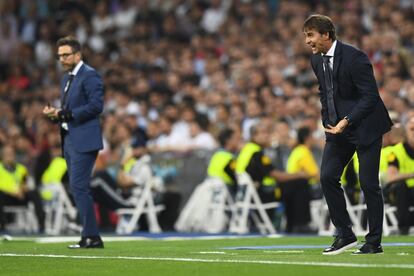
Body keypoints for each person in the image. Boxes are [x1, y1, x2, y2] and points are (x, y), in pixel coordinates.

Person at [303, 15, 392, 255]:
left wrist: (347, 120)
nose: (308, 41)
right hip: (338, 128)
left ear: (326, 35)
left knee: (368, 183)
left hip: (365, 126)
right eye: (306, 36)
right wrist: (327, 119)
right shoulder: (316, 61)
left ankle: (374, 241)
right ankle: (345, 234)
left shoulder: (355, 58)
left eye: (311, 35)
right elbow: (325, 92)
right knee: (327, 177)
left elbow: (370, 96)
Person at [43, 36, 104, 249]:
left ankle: (92, 237)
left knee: (79, 187)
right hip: (69, 138)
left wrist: (66, 114)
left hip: (84, 139)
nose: (62, 59)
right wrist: (56, 115)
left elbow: (96, 106)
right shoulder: (67, 78)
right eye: (59, 55)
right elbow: (69, 112)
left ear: (78, 55)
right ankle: (89, 235)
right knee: (77, 187)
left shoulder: (90, 75)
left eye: (66, 54)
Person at [0, 144, 45, 233]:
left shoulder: (21, 168)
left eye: (11, 153)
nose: (10, 156)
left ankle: (41, 225)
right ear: (2, 156)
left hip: (20, 196)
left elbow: (25, 183)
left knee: (34, 193)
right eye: (7, 154)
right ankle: (3, 226)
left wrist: (22, 190)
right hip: (5, 196)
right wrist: (12, 192)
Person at [284, 127, 319, 233]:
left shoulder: (296, 151)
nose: (314, 139)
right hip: (302, 189)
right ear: (307, 138)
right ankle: (303, 224)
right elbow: (316, 175)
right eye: (312, 136)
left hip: (289, 189)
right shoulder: (304, 152)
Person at [385, 115, 414, 235]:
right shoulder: (395, 151)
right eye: (412, 129)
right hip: (400, 193)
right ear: (406, 131)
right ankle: (403, 227)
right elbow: (391, 177)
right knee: (401, 186)